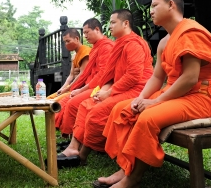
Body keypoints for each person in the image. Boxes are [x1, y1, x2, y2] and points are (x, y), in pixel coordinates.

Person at [95, 0, 211, 188]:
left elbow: (190, 78)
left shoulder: (191, 32)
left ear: (171, 5)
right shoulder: (164, 41)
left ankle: (132, 179)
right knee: (122, 109)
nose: (151, 11)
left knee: (147, 118)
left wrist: (155, 102)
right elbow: (157, 76)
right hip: (175, 95)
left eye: (155, 5)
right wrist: (141, 98)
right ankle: (125, 167)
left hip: (199, 97)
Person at [57, 9, 153, 168]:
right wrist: (104, 91)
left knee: (96, 112)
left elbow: (134, 76)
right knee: (85, 105)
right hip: (119, 87)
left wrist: (109, 93)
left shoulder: (133, 44)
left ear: (126, 23)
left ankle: (82, 156)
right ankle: (74, 147)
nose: (109, 26)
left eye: (113, 22)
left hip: (138, 89)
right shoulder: (118, 45)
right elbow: (110, 75)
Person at [54, 18, 114, 137]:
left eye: (87, 32)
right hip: (90, 84)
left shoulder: (106, 47)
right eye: (84, 33)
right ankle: (67, 134)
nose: (85, 36)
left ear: (97, 29)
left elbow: (102, 75)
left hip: (101, 86)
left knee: (72, 103)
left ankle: (74, 139)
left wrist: (81, 90)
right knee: (64, 100)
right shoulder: (95, 48)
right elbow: (82, 73)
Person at [47, 28, 90, 101]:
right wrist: (62, 89)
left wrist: (67, 88)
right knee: (48, 98)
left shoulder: (86, 51)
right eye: (65, 42)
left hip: (81, 88)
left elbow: (82, 74)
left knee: (54, 102)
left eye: (68, 41)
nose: (66, 44)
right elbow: (71, 75)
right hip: (72, 86)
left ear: (76, 38)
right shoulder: (74, 56)